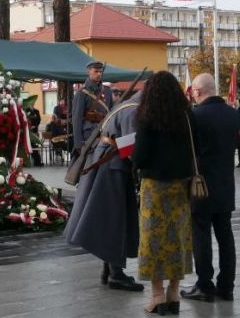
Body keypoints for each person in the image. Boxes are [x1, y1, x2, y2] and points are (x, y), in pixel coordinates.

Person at [64, 90, 143, 292]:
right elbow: (130, 149)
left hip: (107, 164)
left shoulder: (123, 107)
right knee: (116, 220)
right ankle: (116, 274)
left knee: (111, 219)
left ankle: (110, 269)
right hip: (114, 167)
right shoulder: (132, 111)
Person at [133, 71, 195, 314]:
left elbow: (140, 155)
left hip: (154, 186)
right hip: (181, 185)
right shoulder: (187, 115)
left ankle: (157, 295)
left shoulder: (148, 117)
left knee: (153, 239)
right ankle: (174, 292)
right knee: (178, 237)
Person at [181, 74, 237, 303]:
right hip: (226, 183)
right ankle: (227, 286)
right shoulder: (233, 115)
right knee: (225, 234)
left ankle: (204, 284)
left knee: (201, 234)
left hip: (200, 185)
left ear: (197, 91)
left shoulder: (194, 116)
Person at [71, 61, 113, 156]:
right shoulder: (82, 93)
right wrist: (79, 144)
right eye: (96, 71)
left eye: (101, 72)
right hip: (89, 137)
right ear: (89, 72)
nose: (99, 74)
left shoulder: (107, 91)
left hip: (105, 134)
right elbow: (76, 119)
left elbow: (111, 115)